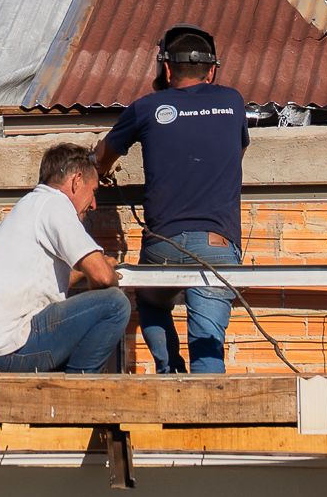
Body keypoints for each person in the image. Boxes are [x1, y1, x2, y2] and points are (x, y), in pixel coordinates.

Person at [93, 23, 247, 374]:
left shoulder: (147, 107)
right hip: (216, 245)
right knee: (207, 350)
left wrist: (100, 171)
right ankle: (209, 420)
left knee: (152, 302)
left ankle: (169, 370)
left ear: (165, 68)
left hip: (162, 245)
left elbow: (103, 155)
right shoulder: (232, 101)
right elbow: (233, 155)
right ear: (212, 70)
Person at [0, 143, 130, 373]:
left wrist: (86, 274)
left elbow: (42, 280)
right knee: (114, 304)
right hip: (6, 347)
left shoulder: (32, 205)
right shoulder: (55, 203)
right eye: (93, 192)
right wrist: (103, 271)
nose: (94, 205)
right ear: (77, 181)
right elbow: (103, 278)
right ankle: (79, 396)